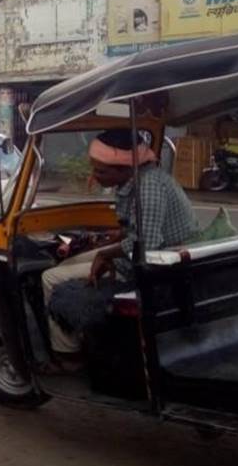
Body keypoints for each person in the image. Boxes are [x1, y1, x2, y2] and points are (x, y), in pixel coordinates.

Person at [41, 128, 199, 371]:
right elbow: (139, 227)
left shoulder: (148, 186)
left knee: (50, 278)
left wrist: (106, 254)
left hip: (153, 266)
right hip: (142, 255)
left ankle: (68, 356)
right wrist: (110, 239)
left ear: (124, 168)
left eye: (101, 171)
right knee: (67, 264)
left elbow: (147, 241)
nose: (96, 175)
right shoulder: (138, 180)